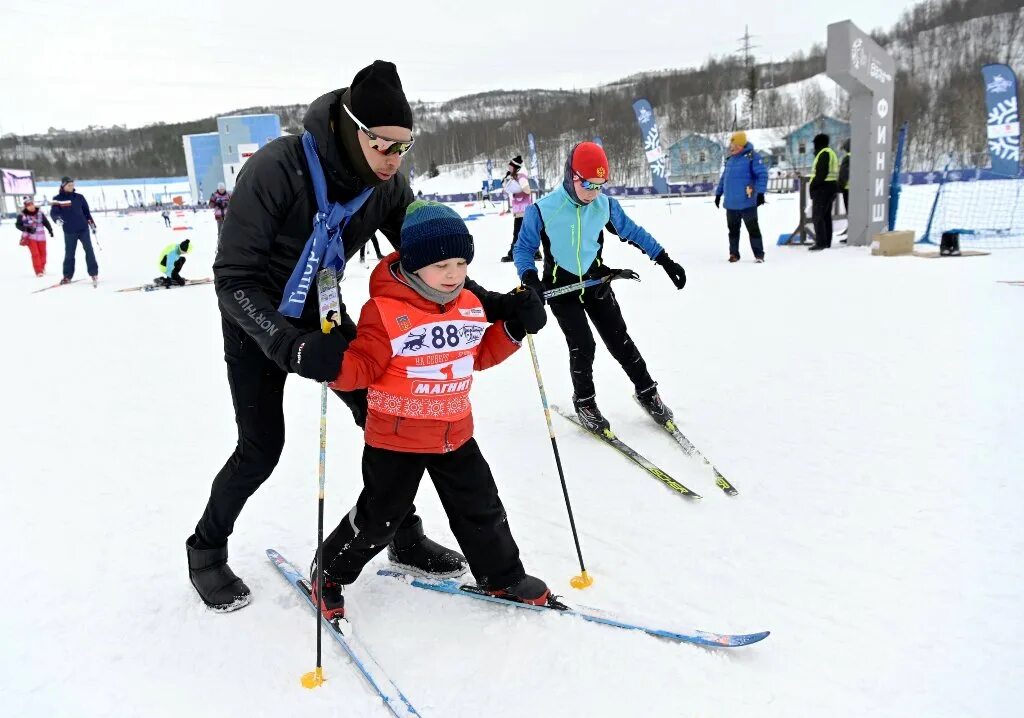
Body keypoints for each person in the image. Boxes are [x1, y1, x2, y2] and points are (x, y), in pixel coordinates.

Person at [187, 60, 542, 612]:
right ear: (352, 129)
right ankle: (206, 550)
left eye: (404, 147)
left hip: (325, 323)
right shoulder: (280, 168)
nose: (394, 160)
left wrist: (494, 305)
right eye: (383, 145)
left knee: (387, 421)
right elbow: (233, 280)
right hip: (258, 325)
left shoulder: (387, 185)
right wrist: (285, 343)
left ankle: (402, 534)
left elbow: (427, 259)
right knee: (261, 448)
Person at [312, 201, 550, 619]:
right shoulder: (384, 312)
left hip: (454, 430)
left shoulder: (470, 303)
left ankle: (502, 576)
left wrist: (513, 328)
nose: (455, 274)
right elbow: (362, 368)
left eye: (461, 262)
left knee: (482, 506)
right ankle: (328, 573)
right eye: (443, 265)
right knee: (380, 517)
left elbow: (478, 355)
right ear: (416, 263)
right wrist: (330, 363)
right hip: (395, 436)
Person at [514, 141, 687, 434]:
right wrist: (529, 279)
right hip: (561, 289)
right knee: (583, 344)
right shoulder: (543, 211)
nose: (594, 192)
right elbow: (523, 250)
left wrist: (664, 259)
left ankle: (647, 392)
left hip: (596, 282)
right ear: (572, 176)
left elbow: (633, 232)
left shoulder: (605, 205)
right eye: (589, 185)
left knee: (619, 339)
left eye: (600, 185)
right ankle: (585, 402)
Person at [714, 131, 768, 263]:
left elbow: (762, 175)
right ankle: (734, 254)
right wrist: (718, 194)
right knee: (733, 231)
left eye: (735, 145)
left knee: (753, 229)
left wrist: (760, 193)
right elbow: (724, 179)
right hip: (731, 203)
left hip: (747, 202)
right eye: (731, 145)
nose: (732, 148)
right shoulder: (730, 160)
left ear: (742, 145)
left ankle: (759, 255)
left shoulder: (752, 157)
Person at [50, 177, 98, 283]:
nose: (71, 187)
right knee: (69, 253)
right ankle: (67, 276)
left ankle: (94, 273)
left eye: (72, 185)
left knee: (89, 250)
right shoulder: (57, 198)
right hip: (69, 230)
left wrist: (92, 224)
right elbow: (54, 212)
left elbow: (86, 213)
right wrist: (57, 219)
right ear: (63, 186)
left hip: (83, 228)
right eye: (69, 185)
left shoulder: (79, 197)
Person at [500, 155, 538, 262]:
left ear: (515, 167)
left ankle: (513, 254)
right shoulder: (516, 175)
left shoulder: (521, 175)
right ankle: (536, 253)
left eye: (510, 166)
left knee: (517, 232)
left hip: (523, 210)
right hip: (521, 210)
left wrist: (518, 188)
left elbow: (527, 190)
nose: (509, 168)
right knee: (526, 232)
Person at [808, 133, 839, 252]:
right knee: (825, 216)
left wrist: (813, 186)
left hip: (823, 189)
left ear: (818, 143)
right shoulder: (830, 153)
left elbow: (821, 174)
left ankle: (821, 242)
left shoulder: (824, 153)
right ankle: (826, 242)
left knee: (818, 216)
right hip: (830, 187)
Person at [15, 197, 53, 276]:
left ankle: (42, 267)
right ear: (25, 206)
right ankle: (38, 271)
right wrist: (26, 229)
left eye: (32, 204)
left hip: (41, 237)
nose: (31, 206)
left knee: (43, 253)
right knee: (35, 254)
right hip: (30, 237)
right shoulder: (22, 215)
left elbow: (46, 222)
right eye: (28, 205)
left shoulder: (40, 213)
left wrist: (50, 230)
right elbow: (18, 225)